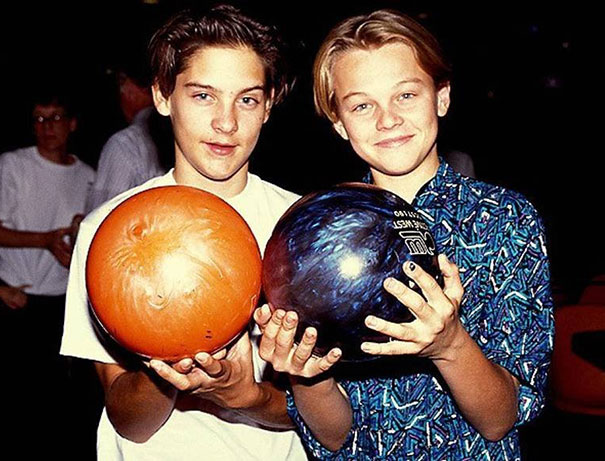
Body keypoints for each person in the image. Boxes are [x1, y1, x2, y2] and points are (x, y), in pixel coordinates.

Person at [255, 9, 554, 460]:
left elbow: (500, 420)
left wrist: (450, 345)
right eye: (362, 105)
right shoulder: (313, 241)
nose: (387, 119)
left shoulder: (505, 219)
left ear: (441, 97)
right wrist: (307, 373)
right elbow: (335, 438)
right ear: (339, 123)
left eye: (406, 95)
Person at [60, 5, 308, 460]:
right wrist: (170, 368)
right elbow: (129, 422)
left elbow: (328, 421)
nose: (226, 122)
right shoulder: (109, 233)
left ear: (269, 105)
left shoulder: (304, 228)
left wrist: (247, 397)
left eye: (247, 99)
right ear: (161, 95)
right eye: (203, 95)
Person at [0, 89, 95, 455]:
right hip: (16, 297)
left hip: (61, 302)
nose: (46, 127)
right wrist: (45, 240)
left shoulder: (89, 176)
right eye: (39, 119)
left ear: (72, 124)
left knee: (59, 406)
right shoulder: (13, 164)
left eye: (55, 118)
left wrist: (76, 238)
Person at [85, 49, 167, 213]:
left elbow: (101, 216)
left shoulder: (125, 144)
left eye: (121, 82)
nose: (120, 92)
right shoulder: (179, 138)